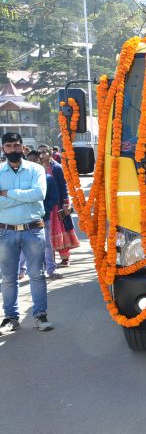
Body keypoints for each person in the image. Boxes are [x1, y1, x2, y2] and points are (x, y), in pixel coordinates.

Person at [0, 132, 52, 334]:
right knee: (8, 278)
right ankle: (11, 318)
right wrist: (25, 197)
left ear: (23, 147)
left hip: (33, 230)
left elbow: (39, 194)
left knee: (37, 275)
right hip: (6, 232)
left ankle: (40, 315)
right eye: (9, 146)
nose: (13, 149)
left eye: (16, 145)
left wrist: (7, 194)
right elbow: (30, 196)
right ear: (3, 148)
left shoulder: (36, 169)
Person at [19, 150, 61, 280]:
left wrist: (43, 210)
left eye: (34, 159)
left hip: (43, 218)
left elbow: (54, 198)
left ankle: (51, 270)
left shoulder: (47, 178)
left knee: (47, 244)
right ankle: (20, 271)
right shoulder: (21, 179)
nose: (32, 162)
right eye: (29, 159)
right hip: (23, 218)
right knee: (23, 245)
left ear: (39, 161)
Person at [37, 144, 78, 267]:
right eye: (40, 153)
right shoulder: (38, 169)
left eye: (45, 152)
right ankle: (50, 259)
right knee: (46, 232)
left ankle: (65, 257)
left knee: (60, 229)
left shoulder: (57, 167)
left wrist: (66, 203)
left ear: (50, 153)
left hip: (57, 204)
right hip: (45, 204)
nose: (42, 155)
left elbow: (64, 186)